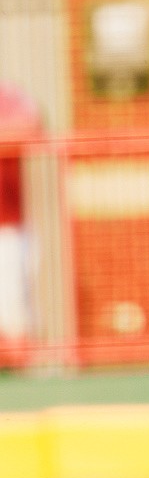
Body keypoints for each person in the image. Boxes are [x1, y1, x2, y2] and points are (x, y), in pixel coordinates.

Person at [0, 82, 40, 368]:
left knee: (13, 312)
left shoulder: (8, 96)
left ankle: (22, 385)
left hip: (7, 226)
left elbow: (31, 125)